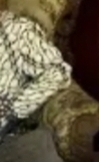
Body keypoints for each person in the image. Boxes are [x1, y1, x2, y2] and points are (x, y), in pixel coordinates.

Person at [0, 9, 71, 162]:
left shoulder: (16, 30)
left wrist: (15, 108)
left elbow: (57, 71)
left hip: (12, 137)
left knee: (39, 147)